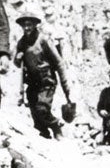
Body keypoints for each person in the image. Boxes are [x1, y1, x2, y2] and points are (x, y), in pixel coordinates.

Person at [13, 11, 73, 139]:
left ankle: (56, 126)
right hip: (32, 83)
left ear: (35, 25)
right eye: (24, 25)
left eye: (29, 24)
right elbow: (17, 64)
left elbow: (59, 62)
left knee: (42, 109)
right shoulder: (21, 43)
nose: (27, 28)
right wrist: (17, 58)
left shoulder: (43, 40)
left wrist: (66, 88)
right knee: (36, 116)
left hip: (46, 81)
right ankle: (45, 139)